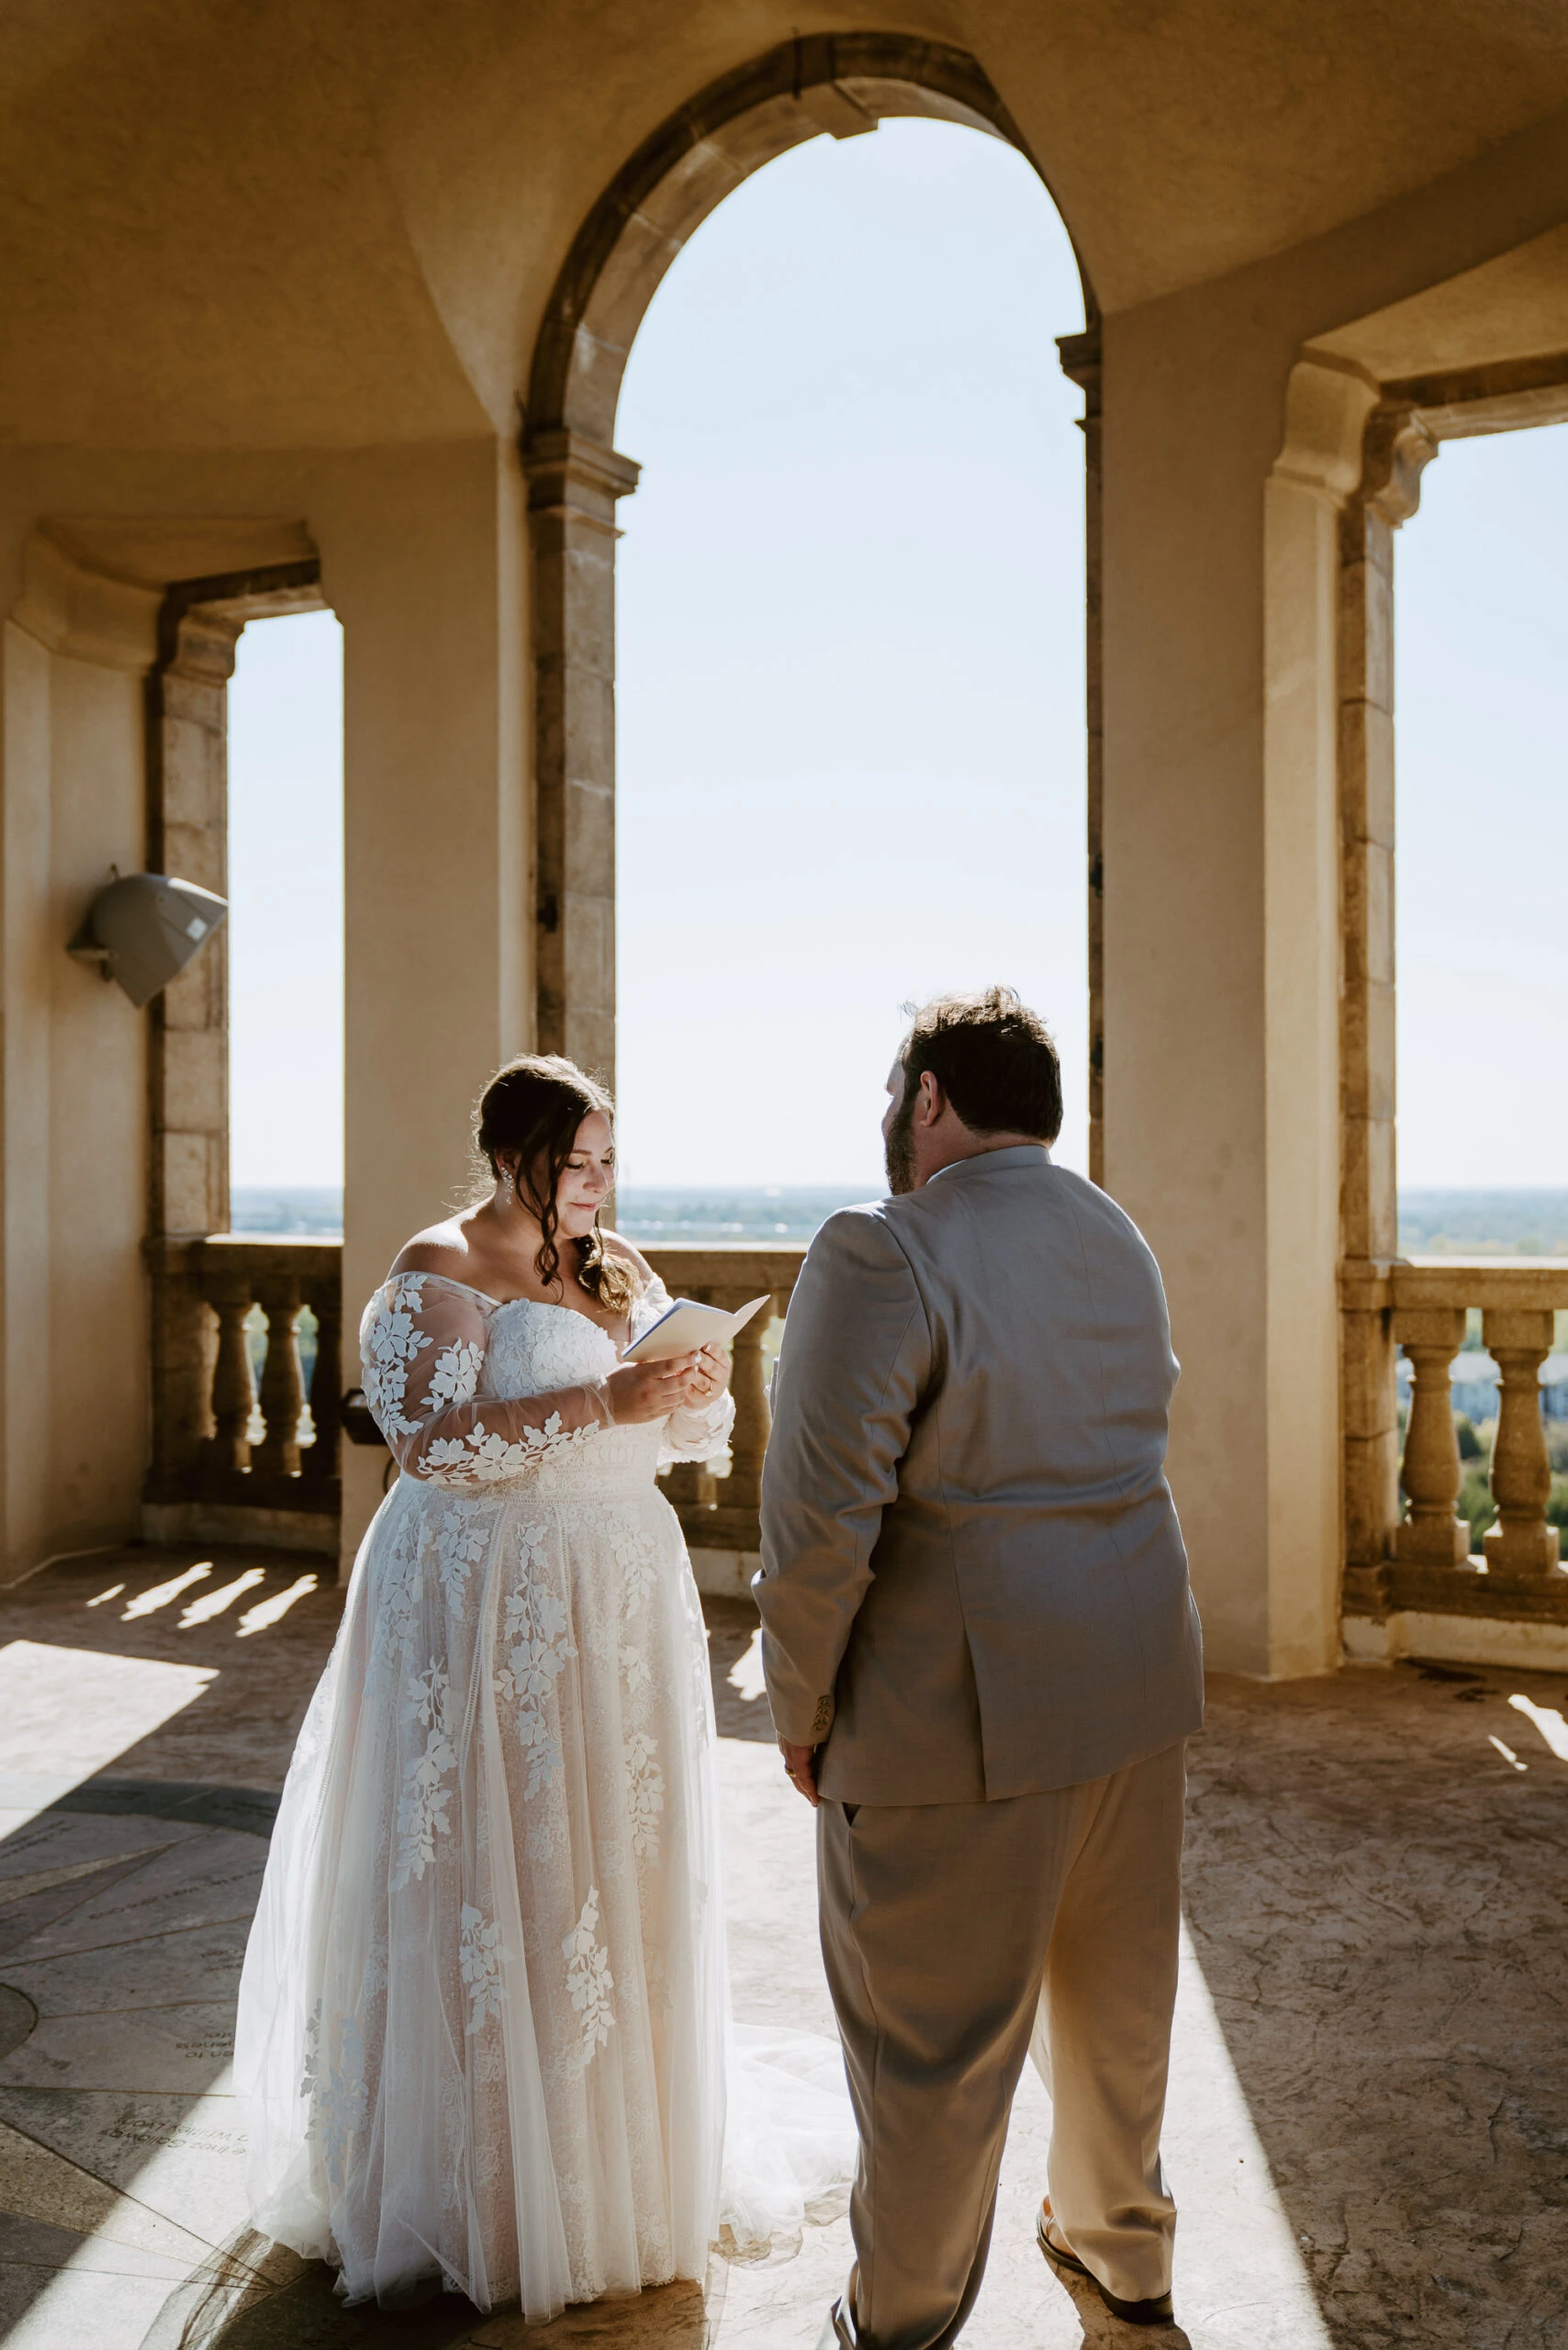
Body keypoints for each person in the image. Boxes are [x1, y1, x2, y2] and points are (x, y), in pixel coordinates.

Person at [238, 1054, 852, 2315]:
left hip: (613, 1591)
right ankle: (476, 2181)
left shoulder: (613, 1266)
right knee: (491, 1855)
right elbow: (430, 1446)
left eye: (608, 1163)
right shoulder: (441, 1267)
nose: (596, 1184)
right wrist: (608, 1392)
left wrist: (686, 1391)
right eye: (577, 1162)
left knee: (603, 1864)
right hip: (480, 1593)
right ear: (513, 1154)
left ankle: (610, 2164)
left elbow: (680, 1438)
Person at [756, 988, 1204, 2346]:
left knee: (932, 2054)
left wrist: (801, 1703)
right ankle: (1124, 2253)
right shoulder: (1114, 1232)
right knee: (1117, 2012)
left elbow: (821, 1516)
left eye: (898, 1098)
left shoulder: (880, 1250)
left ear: (930, 1098)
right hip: (1132, 1681)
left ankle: (894, 2318)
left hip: (956, 1713)